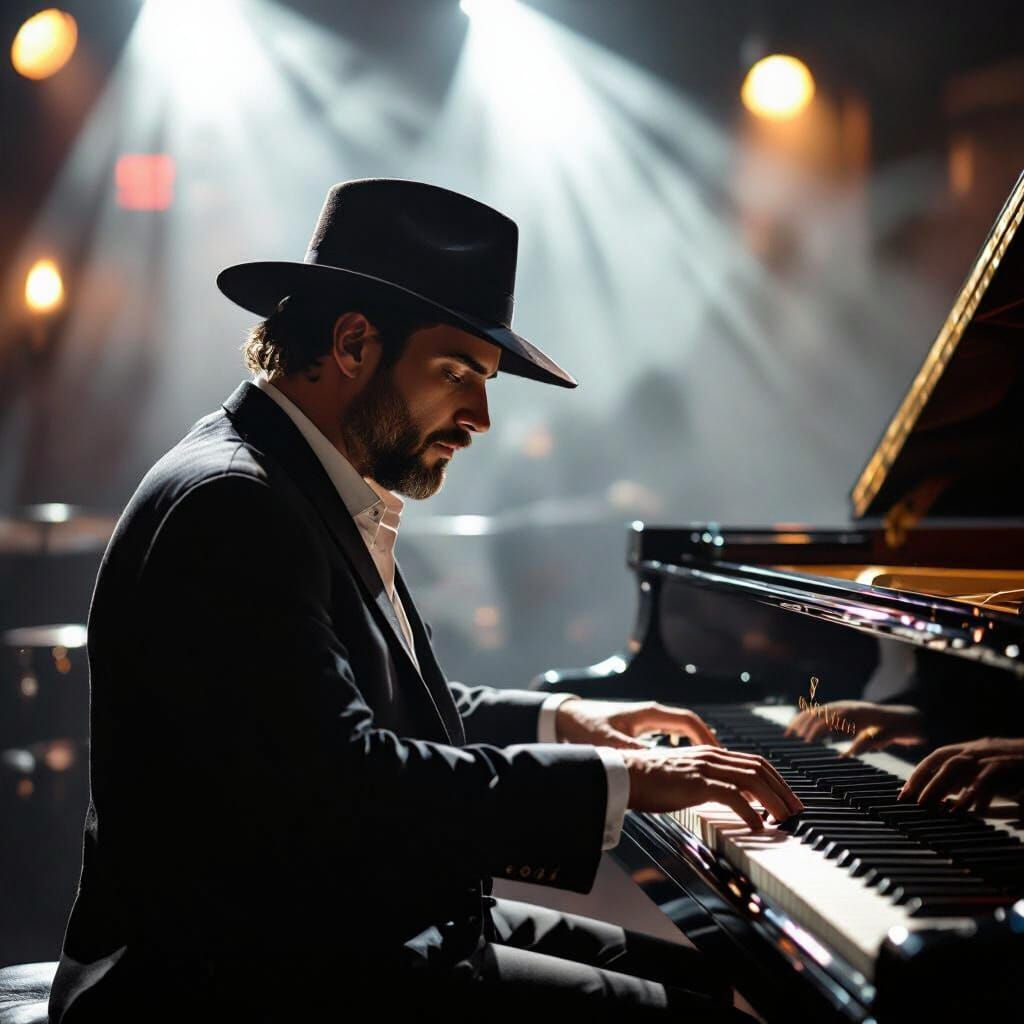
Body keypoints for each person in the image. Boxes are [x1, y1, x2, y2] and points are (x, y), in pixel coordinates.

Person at [49, 180, 802, 1021]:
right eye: (458, 373)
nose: (479, 416)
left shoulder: (296, 479)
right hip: (236, 978)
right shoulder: (237, 504)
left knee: (712, 978)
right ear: (353, 342)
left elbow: (348, 713)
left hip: (318, 929)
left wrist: (567, 722)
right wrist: (620, 779)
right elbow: (347, 782)